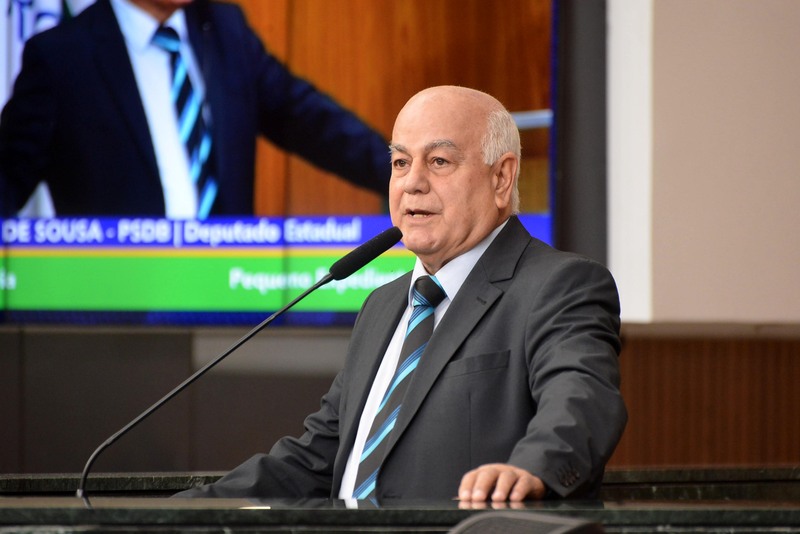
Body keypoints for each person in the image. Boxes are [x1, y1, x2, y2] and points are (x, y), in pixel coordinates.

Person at [175, 86, 627, 502]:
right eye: (400, 163)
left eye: (439, 161)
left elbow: (581, 398)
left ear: (501, 178)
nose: (412, 182)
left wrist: (534, 468)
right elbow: (315, 460)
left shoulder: (560, 285)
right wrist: (177, 515)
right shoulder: (383, 305)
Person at [0, 0, 389, 218]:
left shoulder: (225, 29)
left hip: (228, 292)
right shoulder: (61, 57)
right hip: (119, 304)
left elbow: (310, 121)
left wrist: (400, 173)